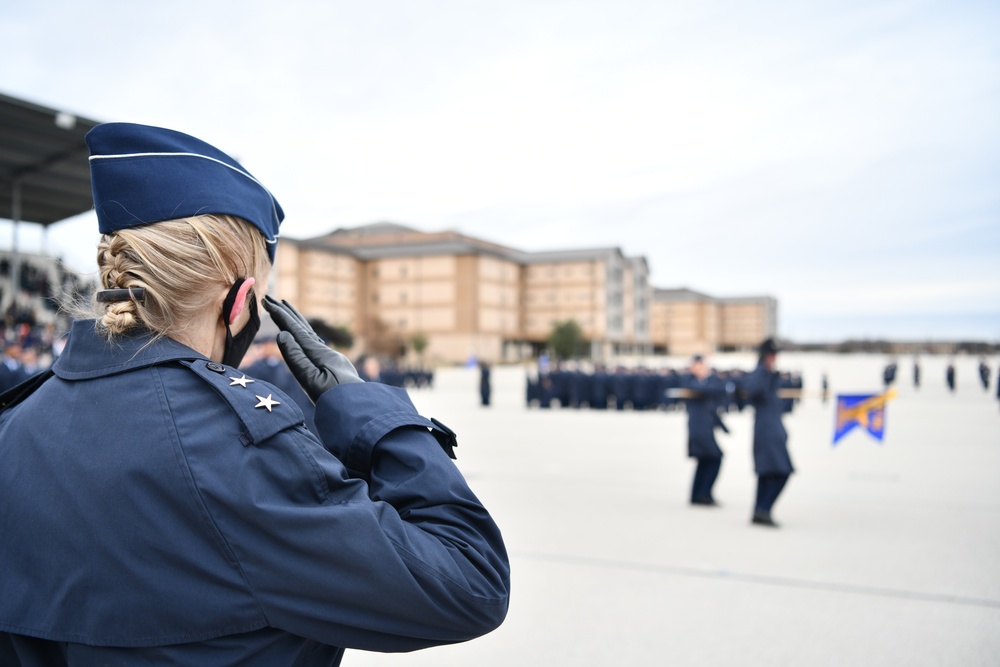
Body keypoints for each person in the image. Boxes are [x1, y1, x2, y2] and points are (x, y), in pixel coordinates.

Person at [0, 123, 509, 665]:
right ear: (240, 302)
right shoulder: (236, 445)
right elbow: (468, 579)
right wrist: (370, 413)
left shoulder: (15, 425)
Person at [739, 338, 793, 528]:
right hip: (766, 430)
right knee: (782, 471)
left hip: (773, 429)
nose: (774, 359)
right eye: (771, 355)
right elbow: (753, 391)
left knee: (768, 473)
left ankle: (760, 511)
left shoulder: (769, 375)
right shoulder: (760, 374)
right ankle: (764, 508)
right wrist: (765, 371)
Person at [680, 355, 730, 506]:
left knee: (705, 460)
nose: (701, 369)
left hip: (706, 426)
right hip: (698, 427)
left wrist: (722, 426)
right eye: (697, 366)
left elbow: (717, 391)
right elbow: (703, 389)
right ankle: (703, 493)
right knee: (714, 458)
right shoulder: (688, 380)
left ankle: (699, 494)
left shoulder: (709, 381)